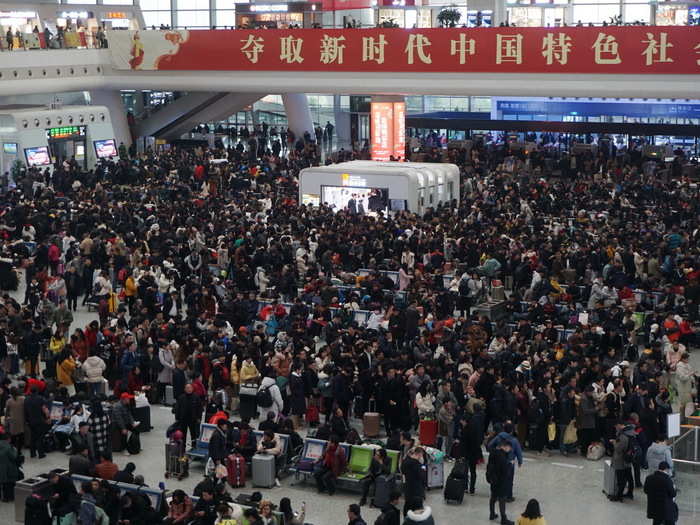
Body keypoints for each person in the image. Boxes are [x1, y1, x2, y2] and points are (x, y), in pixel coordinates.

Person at [487, 440, 513, 525]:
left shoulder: (493, 453)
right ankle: (503, 519)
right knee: (502, 499)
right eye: (509, 448)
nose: (509, 450)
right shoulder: (502, 456)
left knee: (493, 497)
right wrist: (510, 464)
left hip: (493, 480)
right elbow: (505, 472)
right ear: (505, 446)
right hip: (501, 481)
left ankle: (492, 513)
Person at [611, 421, 636, 502]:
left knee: (621, 479)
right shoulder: (632, 433)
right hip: (628, 459)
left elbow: (618, 449)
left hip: (621, 460)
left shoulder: (623, 436)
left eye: (617, 426)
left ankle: (619, 496)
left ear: (621, 425)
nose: (616, 428)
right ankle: (630, 493)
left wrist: (614, 442)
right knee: (629, 477)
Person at [23, 386, 50, 458]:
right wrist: (47, 417)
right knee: (40, 437)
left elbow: (25, 411)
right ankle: (41, 454)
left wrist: (26, 420)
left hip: (30, 421)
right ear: (37, 392)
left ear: (30, 392)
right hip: (40, 420)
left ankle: (32, 453)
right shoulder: (40, 399)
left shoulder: (26, 399)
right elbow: (45, 409)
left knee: (33, 437)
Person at [175, 383, 204, 449]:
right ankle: (182, 448)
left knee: (194, 434)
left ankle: (194, 447)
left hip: (193, 420)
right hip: (183, 420)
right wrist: (177, 418)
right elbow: (177, 408)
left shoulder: (196, 397)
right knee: (182, 434)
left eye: (190, 388)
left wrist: (199, 418)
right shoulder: (181, 397)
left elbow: (200, 409)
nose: (188, 389)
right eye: (187, 388)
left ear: (192, 389)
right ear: (184, 389)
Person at [401, 447, 425, 516]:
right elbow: (422, 477)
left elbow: (402, 470)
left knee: (407, 507)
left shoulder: (405, 462)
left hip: (408, 489)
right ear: (420, 454)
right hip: (417, 491)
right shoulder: (417, 465)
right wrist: (423, 466)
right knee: (418, 512)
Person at [4, 386, 25, 451]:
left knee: (13, 436)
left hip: (13, 420)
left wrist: (5, 418)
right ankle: (19, 450)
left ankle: (13, 450)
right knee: (21, 435)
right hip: (21, 419)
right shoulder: (23, 399)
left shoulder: (9, 401)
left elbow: (6, 411)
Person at [0, 432, 20, 502]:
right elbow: (14, 457)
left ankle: (3, 497)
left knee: (3, 483)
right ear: (8, 439)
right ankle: (10, 497)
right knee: (10, 483)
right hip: (8, 468)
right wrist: (15, 450)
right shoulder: (9, 447)